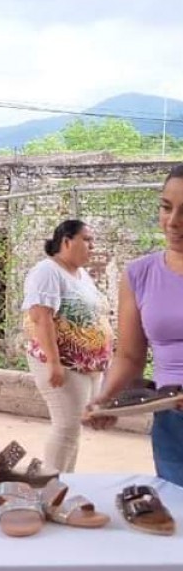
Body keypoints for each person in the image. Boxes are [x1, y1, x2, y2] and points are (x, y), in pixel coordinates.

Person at [87, 165, 183, 486]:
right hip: (171, 422)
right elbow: (129, 356)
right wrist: (106, 400)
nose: (173, 222)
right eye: (166, 207)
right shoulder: (139, 275)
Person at [22, 219, 112, 472]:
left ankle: (65, 483)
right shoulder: (47, 271)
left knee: (73, 429)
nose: (92, 246)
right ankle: (51, 486)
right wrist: (54, 363)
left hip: (85, 366)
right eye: (87, 239)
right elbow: (42, 317)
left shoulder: (81, 274)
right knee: (66, 427)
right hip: (60, 363)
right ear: (66, 241)